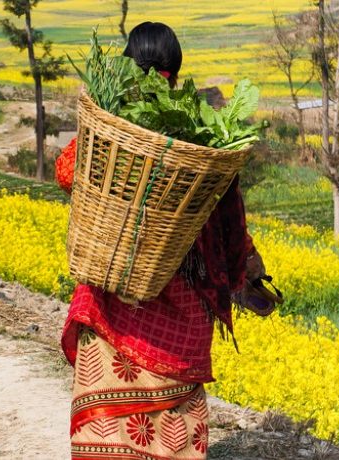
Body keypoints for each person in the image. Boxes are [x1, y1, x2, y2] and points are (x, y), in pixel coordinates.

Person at [55, 22, 275, 459]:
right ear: (175, 67)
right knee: (174, 427)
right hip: (182, 311)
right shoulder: (195, 128)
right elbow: (228, 212)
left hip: (113, 300)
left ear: (127, 61)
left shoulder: (113, 120)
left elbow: (67, 170)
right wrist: (246, 267)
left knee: (110, 428)